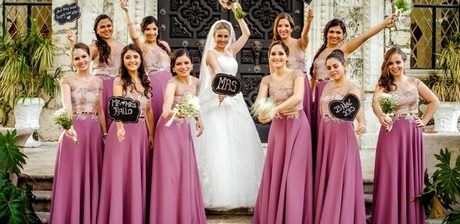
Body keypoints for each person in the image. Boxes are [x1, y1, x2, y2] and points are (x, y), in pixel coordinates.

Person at [193, 1, 264, 209]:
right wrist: (222, 92)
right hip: (218, 96)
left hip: (235, 99)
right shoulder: (210, 54)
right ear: (214, 37)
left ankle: (237, 192)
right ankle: (215, 194)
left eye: (225, 36)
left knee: (237, 144)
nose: (223, 39)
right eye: (219, 36)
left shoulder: (232, 51)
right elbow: (217, 72)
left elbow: (247, 34)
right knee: (218, 144)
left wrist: (236, 10)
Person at [371, 47, 439, 224]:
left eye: (398, 62)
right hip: (391, 131)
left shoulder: (415, 82)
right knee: (390, 172)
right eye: (391, 63)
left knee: (409, 174)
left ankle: (409, 218)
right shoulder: (383, 84)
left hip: (411, 133)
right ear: (387, 65)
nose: (394, 66)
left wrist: (424, 120)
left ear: (404, 62)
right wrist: (381, 116)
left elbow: (434, 101)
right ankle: (389, 218)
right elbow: (375, 103)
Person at [253, 40, 313, 224]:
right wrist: (263, 113)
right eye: (273, 54)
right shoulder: (266, 80)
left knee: (294, 174)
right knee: (278, 173)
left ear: (287, 56)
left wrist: (274, 110)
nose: (277, 57)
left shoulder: (297, 74)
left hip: (297, 127)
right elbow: (260, 102)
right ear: (269, 57)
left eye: (280, 54)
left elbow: (297, 97)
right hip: (279, 130)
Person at [97, 44, 154, 224]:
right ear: (123, 60)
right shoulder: (119, 81)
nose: (132, 61)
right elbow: (116, 106)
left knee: (136, 174)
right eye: (128, 57)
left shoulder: (146, 80)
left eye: (135, 57)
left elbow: (150, 110)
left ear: (140, 59)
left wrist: (151, 134)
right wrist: (120, 127)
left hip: (140, 133)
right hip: (123, 130)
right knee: (120, 175)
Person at [49, 42, 106, 224]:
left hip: (94, 132)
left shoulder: (99, 81)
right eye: (77, 58)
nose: (81, 61)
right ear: (72, 61)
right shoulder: (68, 79)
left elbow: (101, 110)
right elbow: (67, 107)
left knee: (92, 176)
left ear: (90, 57)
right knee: (73, 177)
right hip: (74, 131)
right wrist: (68, 128)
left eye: (84, 56)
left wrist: (104, 134)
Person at [150, 49, 206, 224]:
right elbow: (167, 104)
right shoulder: (171, 83)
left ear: (192, 65)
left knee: (183, 171)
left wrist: (198, 119)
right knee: (170, 173)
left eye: (186, 63)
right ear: (173, 67)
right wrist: (171, 110)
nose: (183, 67)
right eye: (179, 64)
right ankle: (166, 217)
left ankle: (182, 215)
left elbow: (194, 103)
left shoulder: (195, 82)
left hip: (183, 130)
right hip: (168, 130)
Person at [314, 49, 367, 224]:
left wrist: (362, 122)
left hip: (342, 133)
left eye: (335, 66)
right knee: (328, 173)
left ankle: (339, 216)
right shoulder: (326, 86)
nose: (332, 70)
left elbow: (355, 106)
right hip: (326, 134)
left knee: (340, 174)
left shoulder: (353, 87)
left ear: (345, 66)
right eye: (329, 68)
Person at [67, 14, 124, 131]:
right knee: (102, 114)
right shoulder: (95, 46)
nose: (106, 29)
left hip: (117, 86)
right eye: (102, 27)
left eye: (109, 26)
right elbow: (80, 58)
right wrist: (72, 43)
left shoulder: (121, 46)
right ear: (97, 30)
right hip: (101, 86)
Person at [120, 0, 172, 125]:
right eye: (148, 29)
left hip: (169, 84)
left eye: (154, 29)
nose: (152, 32)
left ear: (158, 30)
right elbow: (133, 36)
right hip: (154, 84)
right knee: (156, 113)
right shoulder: (142, 47)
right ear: (143, 31)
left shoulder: (164, 45)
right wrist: (127, 11)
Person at [272, 9, 313, 122]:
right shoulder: (274, 47)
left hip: (302, 85)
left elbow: (304, 34)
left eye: (286, 25)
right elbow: (273, 74)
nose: (283, 29)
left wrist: (308, 22)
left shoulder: (300, 43)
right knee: (287, 117)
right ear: (276, 28)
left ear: (291, 27)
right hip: (285, 85)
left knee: (302, 118)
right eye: (280, 26)